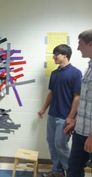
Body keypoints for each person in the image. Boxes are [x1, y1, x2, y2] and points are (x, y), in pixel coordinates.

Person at [38, 44, 82, 177]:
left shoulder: (76, 73)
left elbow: (77, 97)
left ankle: (72, 173)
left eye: (55, 54)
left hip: (64, 117)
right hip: (52, 115)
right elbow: (51, 93)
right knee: (52, 144)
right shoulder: (54, 73)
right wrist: (43, 109)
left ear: (65, 55)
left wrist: (71, 117)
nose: (53, 57)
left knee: (61, 145)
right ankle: (57, 172)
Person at [67, 29, 92, 177]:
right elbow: (87, 101)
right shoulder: (89, 67)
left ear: (90, 44)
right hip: (80, 131)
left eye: (80, 44)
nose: (77, 48)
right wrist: (75, 120)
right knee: (74, 170)